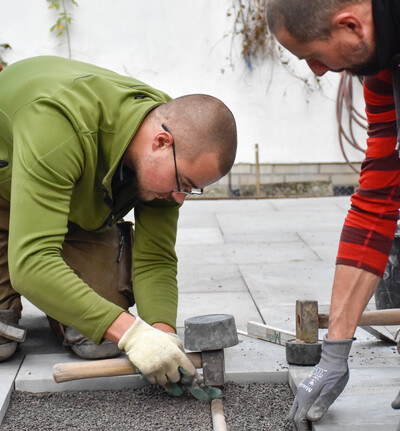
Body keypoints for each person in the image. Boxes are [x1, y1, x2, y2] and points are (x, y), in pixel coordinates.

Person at [0, 55, 237, 401]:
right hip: (5, 193)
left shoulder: (169, 136)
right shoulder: (56, 126)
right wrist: (133, 335)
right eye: (182, 183)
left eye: (191, 189)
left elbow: (155, 258)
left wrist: (161, 335)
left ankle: (63, 309)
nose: (179, 198)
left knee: (96, 342)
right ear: (160, 142)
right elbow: (32, 263)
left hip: (67, 200)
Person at [266, 0, 400, 429]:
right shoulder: (380, 66)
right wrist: (335, 350)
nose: (318, 71)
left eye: (313, 56)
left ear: (350, 25)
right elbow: (379, 195)